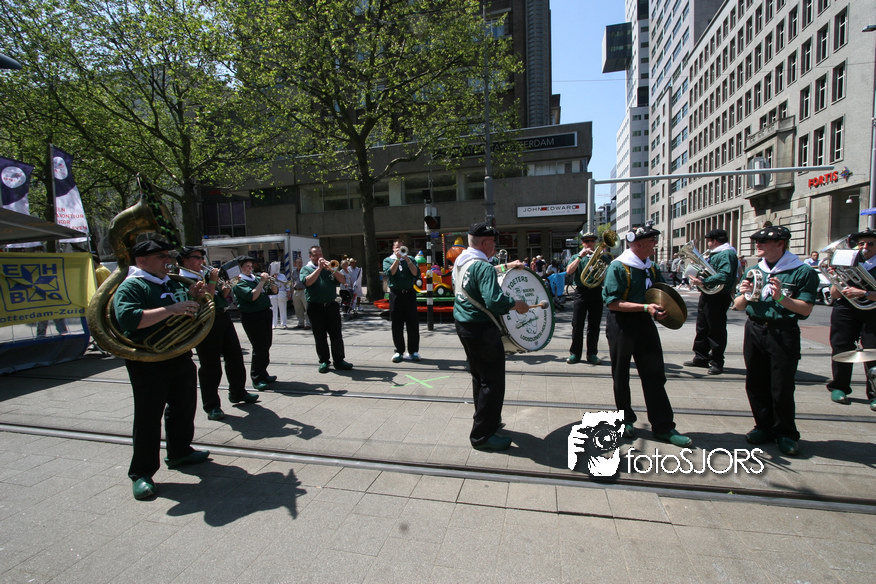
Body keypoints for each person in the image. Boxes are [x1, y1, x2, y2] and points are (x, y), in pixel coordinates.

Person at [112, 239, 210, 500]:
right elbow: (129, 319)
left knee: (183, 407)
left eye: (168, 255)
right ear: (141, 260)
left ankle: (179, 452)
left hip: (178, 355)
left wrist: (193, 297)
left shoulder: (171, 282)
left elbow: (186, 310)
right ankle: (141, 473)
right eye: (161, 256)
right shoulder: (133, 285)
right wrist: (171, 309)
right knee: (148, 417)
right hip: (149, 361)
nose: (168, 260)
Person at [602, 223, 692, 447]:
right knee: (621, 375)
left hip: (644, 323)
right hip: (621, 325)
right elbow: (612, 303)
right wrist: (645, 308)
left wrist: (664, 311)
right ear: (638, 243)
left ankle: (663, 426)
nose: (655, 244)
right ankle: (625, 419)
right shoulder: (618, 267)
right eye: (651, 240)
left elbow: (661, 294)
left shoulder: (651, 267)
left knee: (655, 375)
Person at [734, 225, 818, 456]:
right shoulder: (754, 270)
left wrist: (780, 297)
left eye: (763, 242)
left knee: (781, 385)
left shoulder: (801, 271)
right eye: (757, 242)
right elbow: (738, 306)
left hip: (783, 331)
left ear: (780, 244)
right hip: (755, 328)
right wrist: (744, 294)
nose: (758, 245)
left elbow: (805, 309)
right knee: (755, 382)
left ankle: (785, 432)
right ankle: (763, 426)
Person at [453, 222, 529, 451]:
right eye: (493, 242)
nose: (495, 247)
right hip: (482, 329)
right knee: (493, 382)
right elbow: (494, 301)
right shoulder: (483, 267)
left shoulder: (462, 260)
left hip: (464, 325)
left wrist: (506, 265)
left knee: (480, 377)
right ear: (485, 243)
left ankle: (485, 419)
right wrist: (516, 304)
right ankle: (483, 435)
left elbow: (479, 274)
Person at [177, 246, 258, 421]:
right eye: (196, 258)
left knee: (235, 357)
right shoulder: (182, 278)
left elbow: (223, 294)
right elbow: (207, 298)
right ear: (184, 260)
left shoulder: (204, 274)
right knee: (210, 366)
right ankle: (212, 405)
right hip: (204, 321)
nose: (201, 261)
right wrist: (213, 280)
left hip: (222, 316)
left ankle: (238, 392)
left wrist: (231, 281)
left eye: (202, 257)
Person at [825, 228, 876, 411]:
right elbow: (834, 294)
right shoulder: (848, 261)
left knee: (873, 352)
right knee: (841, 347)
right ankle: (839, 387)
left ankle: (874, 393)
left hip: (873, 311)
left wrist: (864, 293)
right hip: (845, 309)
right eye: (861, 243)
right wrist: (836, 277)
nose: (865, 247)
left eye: (870, 243)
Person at [683, 229, 738, 375]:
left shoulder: (726, 253)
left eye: (709, 240)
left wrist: (704, 281)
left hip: (718, 296)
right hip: (708, 294)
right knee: (702, 327)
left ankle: (717, 361)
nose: (707, 244)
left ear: (715, 241)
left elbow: (724, 275)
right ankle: (701, 357)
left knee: (716, 329)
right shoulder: (716, 253)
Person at [300, 245, 353, 373]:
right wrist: (319, 268)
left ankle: (339, 360)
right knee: (320, 336)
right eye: (315, 255)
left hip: (331, 306)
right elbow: (307, 282)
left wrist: (332, 270)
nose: (319, 257)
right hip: (315, 307)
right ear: (310, 256)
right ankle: (324, 361)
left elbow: (343, 280)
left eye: (320, 254)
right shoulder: (306, 269)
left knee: (336, 335)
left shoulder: (330, 268)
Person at [232, 256, 278, 390]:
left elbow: (274, 291)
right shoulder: (237, 281)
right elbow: (252, 296)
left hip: (265, 313)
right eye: (246, 266)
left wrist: (272, 281)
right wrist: (262, 281)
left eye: (251, 266)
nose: (250, 269)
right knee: (259, 347)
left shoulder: (255, 279)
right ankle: (256, 377)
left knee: (266, 345)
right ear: (240, 268)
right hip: (251, 316)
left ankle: (263, 373)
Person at [566, 232, 610, 365]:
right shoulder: (576, 256)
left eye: (592, 241)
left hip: (596, 291)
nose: (589, 243)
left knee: (594, 325)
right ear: (582, 243)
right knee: (577, 324)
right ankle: (575, 353)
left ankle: (592, 353)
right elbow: (569, 271)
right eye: (586, 241)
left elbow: (607, 273)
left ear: (595, 242)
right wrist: (580, 257)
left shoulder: (602, 257)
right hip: (581, 291)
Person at [383, 240, 421, 363]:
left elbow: (415, 273)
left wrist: (408, 260)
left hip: (409, 294)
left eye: (401, 247)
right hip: (396, 294)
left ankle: (413, 351)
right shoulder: (388, 260)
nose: (399, 249)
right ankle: (399, 351)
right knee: (397, 324)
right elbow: (391, 273)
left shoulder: (411, 259)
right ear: (393, 249)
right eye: (397, 247)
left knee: (413, 323)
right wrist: (397, 259)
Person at [290, 257, 310, 330]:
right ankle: (300, 323)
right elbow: (293, 281)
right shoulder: (293, 272)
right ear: (295, 264)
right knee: (298, 308)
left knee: (306, 308)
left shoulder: (305, 271)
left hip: (304, 290)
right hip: (296, 291)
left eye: (301, 262)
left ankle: (308, 323)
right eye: (298, 262)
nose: (300, 264)